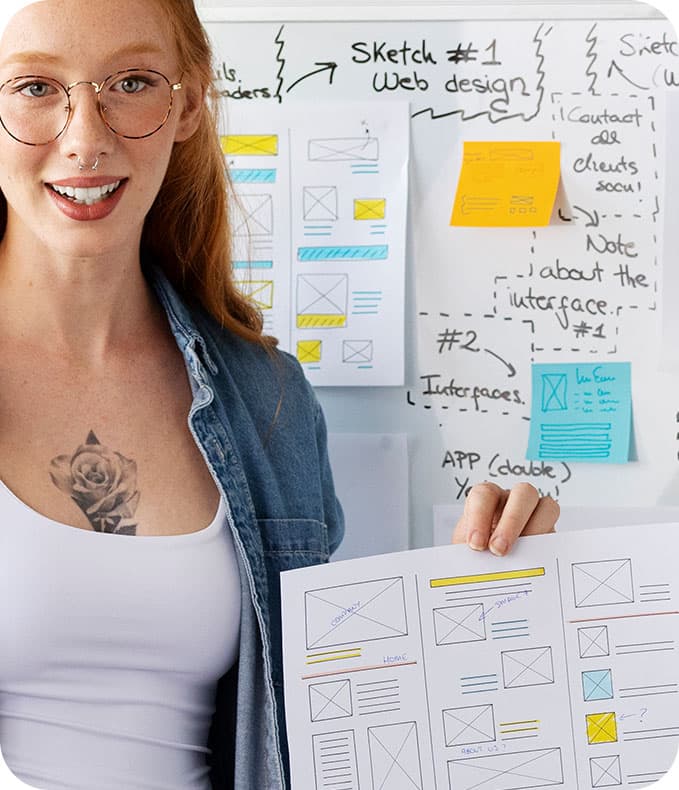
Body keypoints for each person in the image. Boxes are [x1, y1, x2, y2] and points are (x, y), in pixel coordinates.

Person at [0, 1, 559, 788]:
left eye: (131, 82)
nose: (86, 138)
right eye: (33, 87)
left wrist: (488, 596)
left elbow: (325, 728)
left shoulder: (267, 400)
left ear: (187, 105)